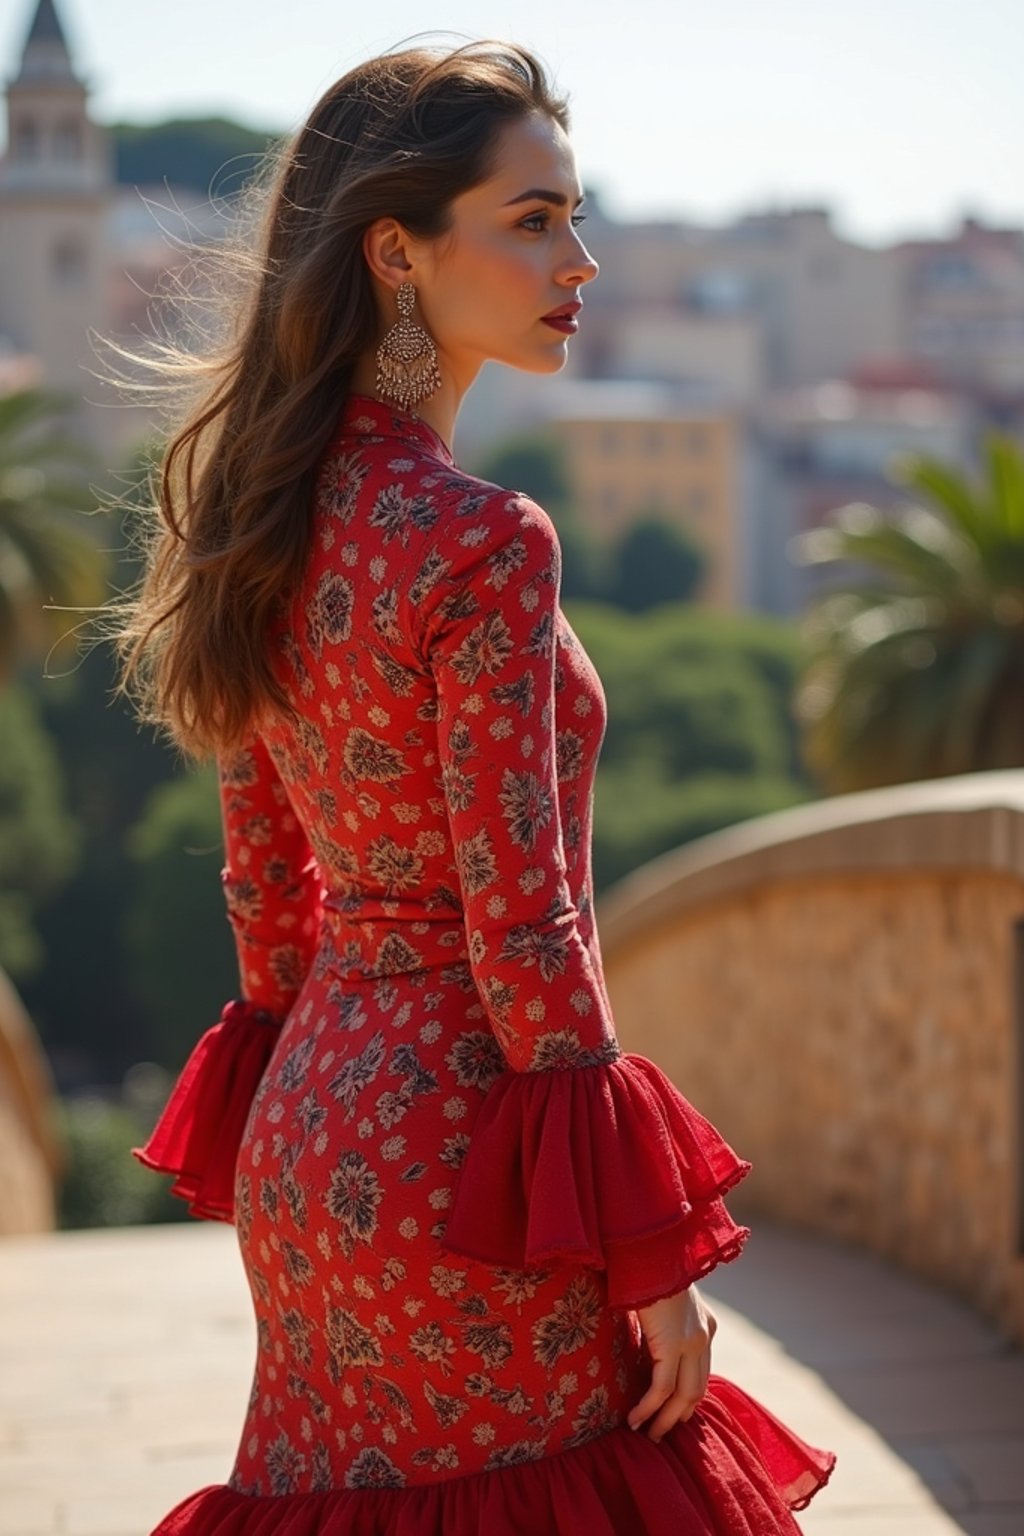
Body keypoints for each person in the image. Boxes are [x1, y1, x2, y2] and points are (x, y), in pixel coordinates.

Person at [111, 36, 836, 1534]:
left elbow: (263, 886)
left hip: (313, 1147)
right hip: (472, 1162)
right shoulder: (484, 541)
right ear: (398, 251)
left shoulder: (262, 520)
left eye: (576, 212)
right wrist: (652, 1259)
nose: (580, 257)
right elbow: (528, 922)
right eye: (532, 219)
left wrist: (308, 1105)